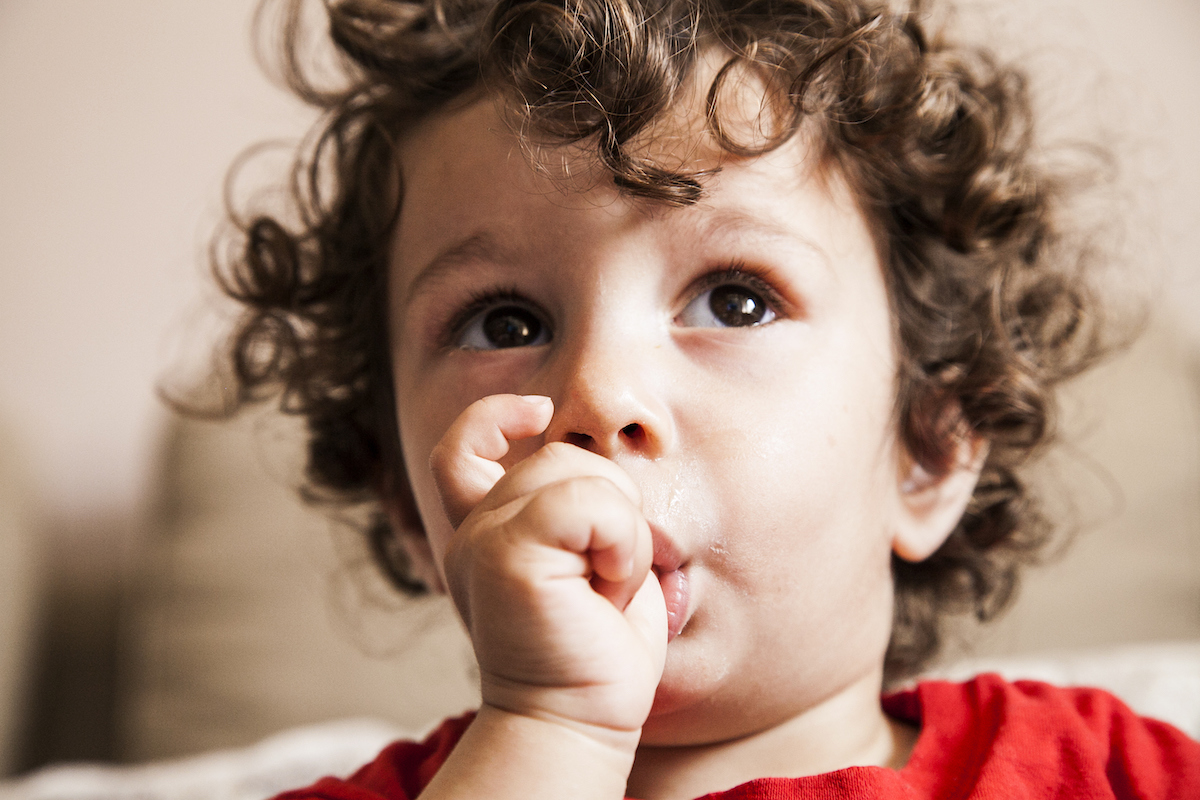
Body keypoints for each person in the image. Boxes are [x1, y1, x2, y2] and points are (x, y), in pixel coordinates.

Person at [209, 0, 1200, 796]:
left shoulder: (1109, 771)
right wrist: (550, 725)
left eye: (735, 298)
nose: (597, 393)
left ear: (928, 446)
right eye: (505, 324)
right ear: (408, 504)